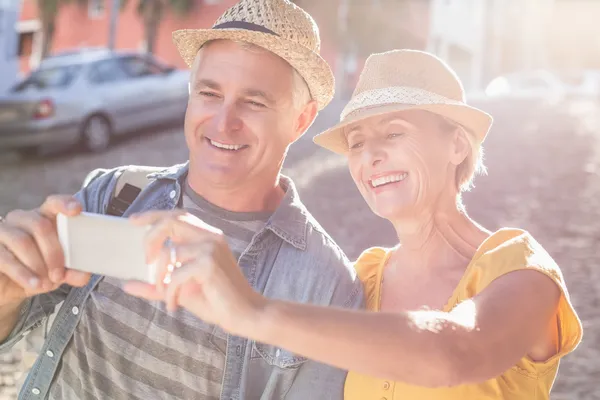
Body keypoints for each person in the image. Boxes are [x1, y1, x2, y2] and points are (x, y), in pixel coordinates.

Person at [126, 49, 584, 400]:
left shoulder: (521, 271)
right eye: (358, 143)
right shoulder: (363, 278)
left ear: (457, 146)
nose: (370, 156)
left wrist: (253, 311)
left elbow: (458, 352)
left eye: (394, 132)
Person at [0, 0, 364, 399]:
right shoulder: (114, 194)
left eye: (254, 101)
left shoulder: (328, 286)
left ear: (301, 119)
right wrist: (10, 286)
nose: (224, 122)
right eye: (210, 93)